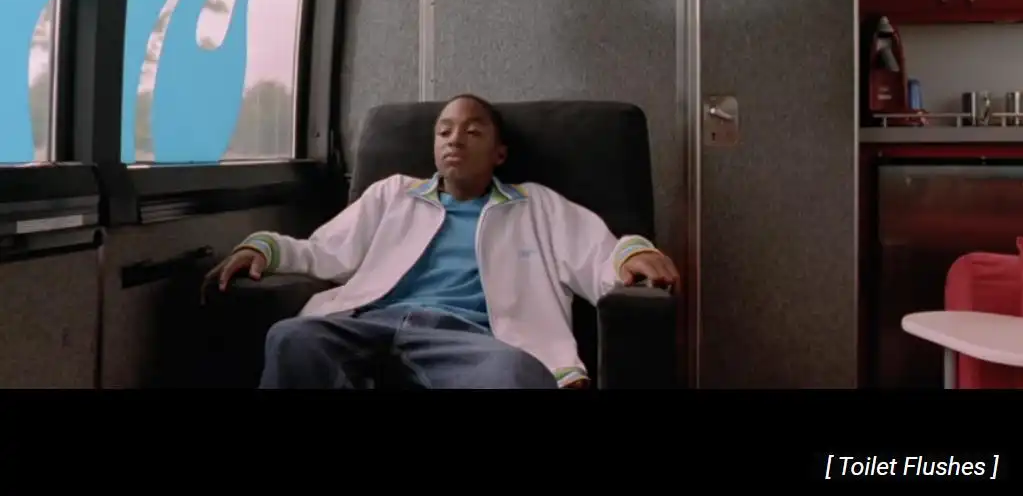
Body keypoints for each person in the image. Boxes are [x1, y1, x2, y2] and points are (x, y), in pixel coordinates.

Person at [206, 94, 680, 389]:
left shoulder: (535, 205)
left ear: (499, 153)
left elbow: (597, 252)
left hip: (468, 338)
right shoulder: (394, 193)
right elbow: (325, 250)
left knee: (515, 375)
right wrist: (264, 248)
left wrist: (633, 253)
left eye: (472, 131)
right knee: (292, 338)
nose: (455, 140)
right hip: (370, 323)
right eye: (444, 131)